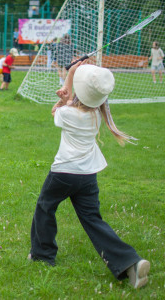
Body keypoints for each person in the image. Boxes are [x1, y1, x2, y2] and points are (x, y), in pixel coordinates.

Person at [29, 61, 150, 289]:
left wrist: (71, 73)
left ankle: (42, 255)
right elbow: (70, 102)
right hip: (88, 177)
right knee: (93, 220)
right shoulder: (97, 114)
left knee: (45, 207)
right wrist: (72, 76)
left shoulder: (67, 113)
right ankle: (131, 263)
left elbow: (58, 108)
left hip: (63, 173)